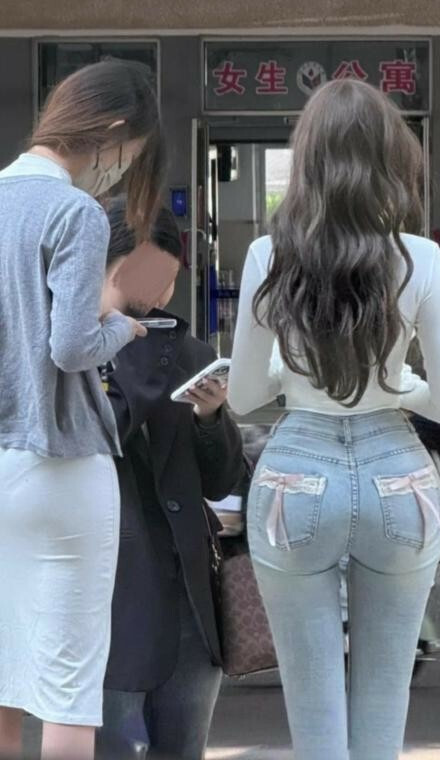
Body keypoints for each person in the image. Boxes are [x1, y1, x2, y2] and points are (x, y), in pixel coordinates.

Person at [228, 78, 440, 760]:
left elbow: (244, 395)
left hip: (295, 477)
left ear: (307, 160)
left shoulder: (267, 256)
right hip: (399, 476)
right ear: (392, 158)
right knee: (384, 704)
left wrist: (292, 374)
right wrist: (398, 383)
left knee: (313, 711)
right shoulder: (420, 258)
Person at [0, 60, 165, 760]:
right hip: (63, 463)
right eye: (130, 155)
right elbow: (71, 348)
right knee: (68, 685)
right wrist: (122, 327)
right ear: (115, 131)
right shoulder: (76, 212)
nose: (122, 172)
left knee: (3, 672)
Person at [95, 197, 245, 760]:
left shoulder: (189, 352)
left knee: (183, 746)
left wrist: (210, 416)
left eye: (167, 277)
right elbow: (100, 436)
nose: (157, 295)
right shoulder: (72, 358)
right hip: (108, 593)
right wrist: (129, 359)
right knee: (111, 745)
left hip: (187, 592)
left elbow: (223, 479)